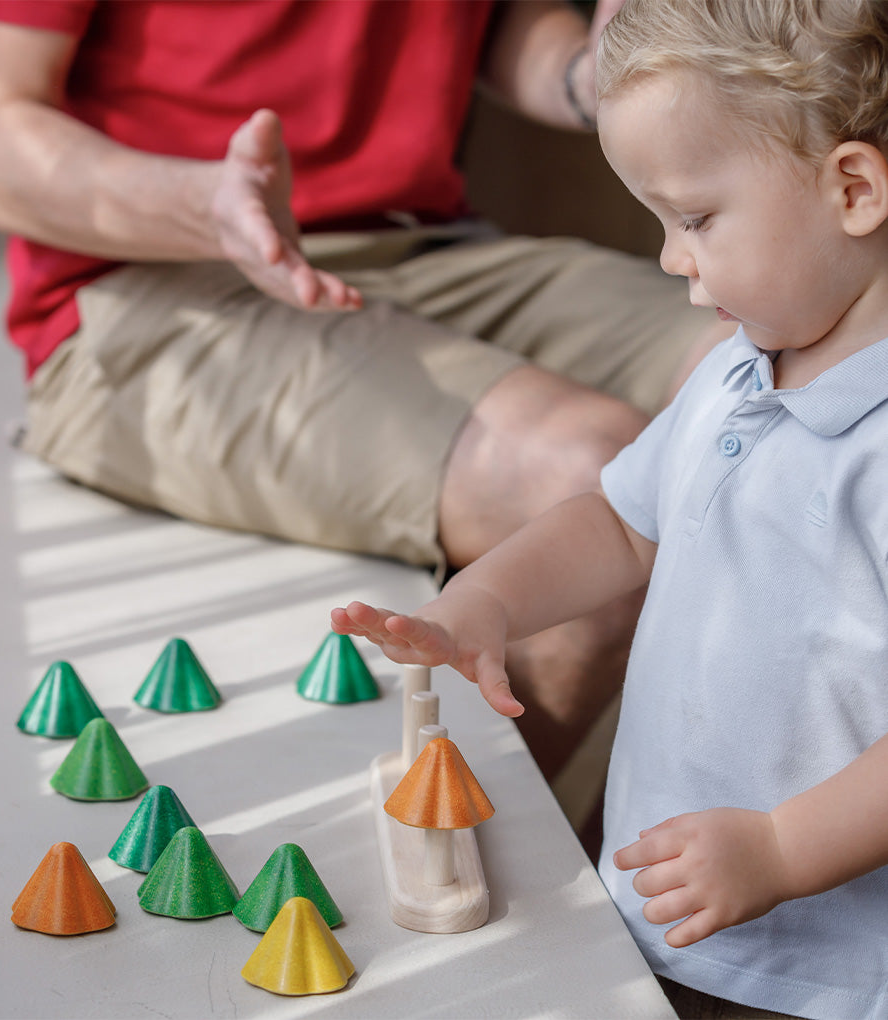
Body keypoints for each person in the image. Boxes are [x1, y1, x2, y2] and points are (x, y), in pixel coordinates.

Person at [0, 0, 725, 785]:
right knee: (608, 481)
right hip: (147, 279)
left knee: (769, 366)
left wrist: (590, 75)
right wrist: (202, 206)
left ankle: (642, 878)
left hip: (426, 245)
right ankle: (457, 862)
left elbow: (481, 24)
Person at [333, 0, 888, 1017]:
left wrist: (779, 849)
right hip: (672, 912)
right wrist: (487, 602)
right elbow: (625, 522)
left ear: (852, 187)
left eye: (697, 219)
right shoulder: (738, 370)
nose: (673, 258)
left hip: (818, 969)